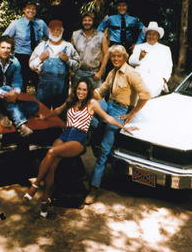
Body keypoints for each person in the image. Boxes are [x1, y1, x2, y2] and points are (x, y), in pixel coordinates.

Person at [23, 77, 137, 218]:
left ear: (88, 91)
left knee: (51, 152)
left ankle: (34, 186)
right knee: (52, 164)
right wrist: (44, 118)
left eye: (84, 89)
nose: (81, 92)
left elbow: (108, 118)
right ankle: (45, 203)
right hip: (66, 134)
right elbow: (58, 110)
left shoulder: (92, 103)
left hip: (78, 138)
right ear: (75, 89)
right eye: (79, 89)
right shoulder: (71, 101)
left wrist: (124, 127)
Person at [85, 44, 150, 204]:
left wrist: (132, 113)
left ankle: (93, 188)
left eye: (118, 56)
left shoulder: (131, 73)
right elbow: (103, 89)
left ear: (124, 57)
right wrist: (93, 94)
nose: (115, 59)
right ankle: (92, 133)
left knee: (104, 150)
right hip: (109, 104)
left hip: (120, 110)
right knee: (88, 106)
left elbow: (145, 95)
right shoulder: (113, 72)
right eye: (113, 56)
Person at [0, 35, 39, 137]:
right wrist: (6, 94)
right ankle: (21, 125)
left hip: (9, 100)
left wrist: (15, 92)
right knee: (7, 88)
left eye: (8, 48)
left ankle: (0, 115)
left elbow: (17, 80)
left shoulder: (15, 62)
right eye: (3, 47)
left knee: (35, 106)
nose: (5, 50)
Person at [29, 20, 80, 109]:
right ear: (49, 30)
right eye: (53, 30)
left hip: (62, 89)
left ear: (62, 31)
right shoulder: (42, 46)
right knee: (42, 114)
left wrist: (67, 60)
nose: (56, 32)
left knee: (60, 117)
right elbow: (31, 65)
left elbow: (77, 65)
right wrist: (40, 58)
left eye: (58, 30)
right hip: (44, 90)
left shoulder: (68, 47)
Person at [3, 0, 49, 92]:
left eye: (33, 9)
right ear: (24, 10)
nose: (31, 11)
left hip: (38, 58)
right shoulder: (16, 24)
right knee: (21, 86)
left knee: (40, 86)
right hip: (22, 58)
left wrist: (47, 51)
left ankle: (40, 105)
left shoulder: (41, 23)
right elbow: (4, 39)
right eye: (28, 8)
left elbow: (51, 39)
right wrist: (7, 54)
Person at [128, 21, 173, 98]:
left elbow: (169, 66)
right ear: (146, 35)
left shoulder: (165, 49)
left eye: (154, 34)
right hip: (140, 81)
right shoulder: (139, 47)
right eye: (149, 34)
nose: (151, 36)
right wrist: (140, 57)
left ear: (158, 36)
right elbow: (130, 61)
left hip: (156, 82)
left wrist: (163, 80)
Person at [71, 10, 110, 89]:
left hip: (93, 73)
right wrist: (71, 70)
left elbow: (107, 54)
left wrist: (100, 72)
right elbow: (70, 53)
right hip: (78, 72)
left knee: (98, 98)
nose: (87, 22)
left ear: (93, 22)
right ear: (82, 22)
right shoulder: (75, 34)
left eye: (89, 20)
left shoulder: (101, 36)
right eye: (85, 20)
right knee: (76, 98)